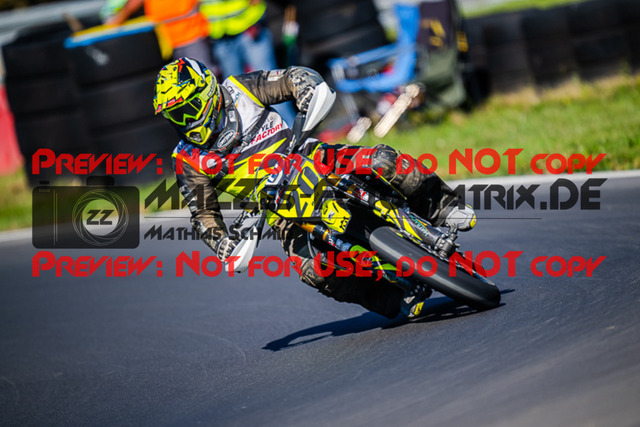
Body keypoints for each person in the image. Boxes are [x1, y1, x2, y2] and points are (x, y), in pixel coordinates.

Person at [153, 57, 476, 319]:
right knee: (314, 271)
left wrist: (306, 89)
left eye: (188, 109)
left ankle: (443, 206)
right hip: (278, 209)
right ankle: (393, 295)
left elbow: (292, 77)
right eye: (175, 116)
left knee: (382, 161)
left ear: (208, 95)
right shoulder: (186, 158)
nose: (185, 121)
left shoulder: (240, 88)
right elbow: (203, 214)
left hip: (309, 155)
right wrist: (222, 243)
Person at [198, 0, 296, 124]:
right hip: (220, 36)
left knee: (273, 87)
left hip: (248, 26)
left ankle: (292, 131)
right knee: (235, 97)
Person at [104, 0, 214, 68]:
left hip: (192, 33)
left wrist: (119, 18)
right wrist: (119, 17)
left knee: (203, 76)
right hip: (168, 39)